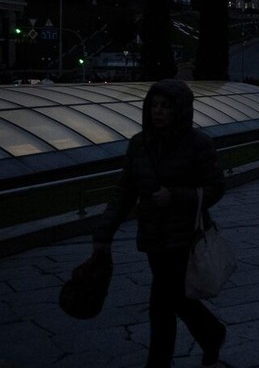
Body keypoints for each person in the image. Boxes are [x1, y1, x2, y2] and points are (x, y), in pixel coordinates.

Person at [92, 79, 227, 368]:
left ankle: (160, 362)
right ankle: (212, 333)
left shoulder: (198, 144)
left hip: (185, 237)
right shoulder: (139, 144)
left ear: (180, 110)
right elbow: (125, 192)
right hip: (154, 237)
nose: (158, 111)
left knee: (161, 304)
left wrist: (175, 196)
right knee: (177, 298)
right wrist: (104, 232)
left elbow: (216, 187)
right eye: (154, 105)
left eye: (166, 106)